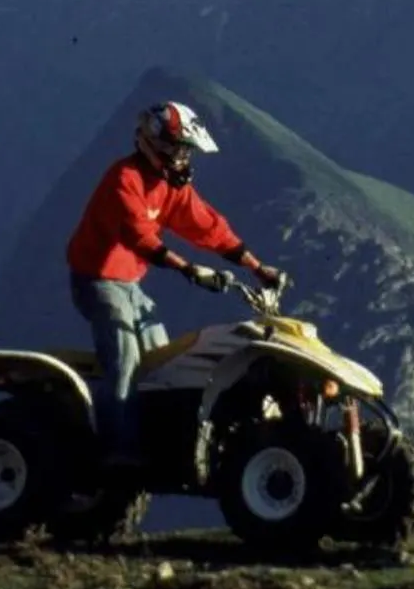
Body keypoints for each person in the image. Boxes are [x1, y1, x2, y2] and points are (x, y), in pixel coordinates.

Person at [64, 100, 287, 465]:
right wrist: (190, 270)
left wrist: (258, 268)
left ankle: (157, 443)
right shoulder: (124, 180)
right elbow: (142, 240)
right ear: (152, 144)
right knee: (124, 360)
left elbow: (208, 227)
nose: (182, 157)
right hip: (97, 281)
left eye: (186, 150)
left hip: (130, 283)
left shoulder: (170, 186)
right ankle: (114, 451)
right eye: (176, 148)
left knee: (163, 360)